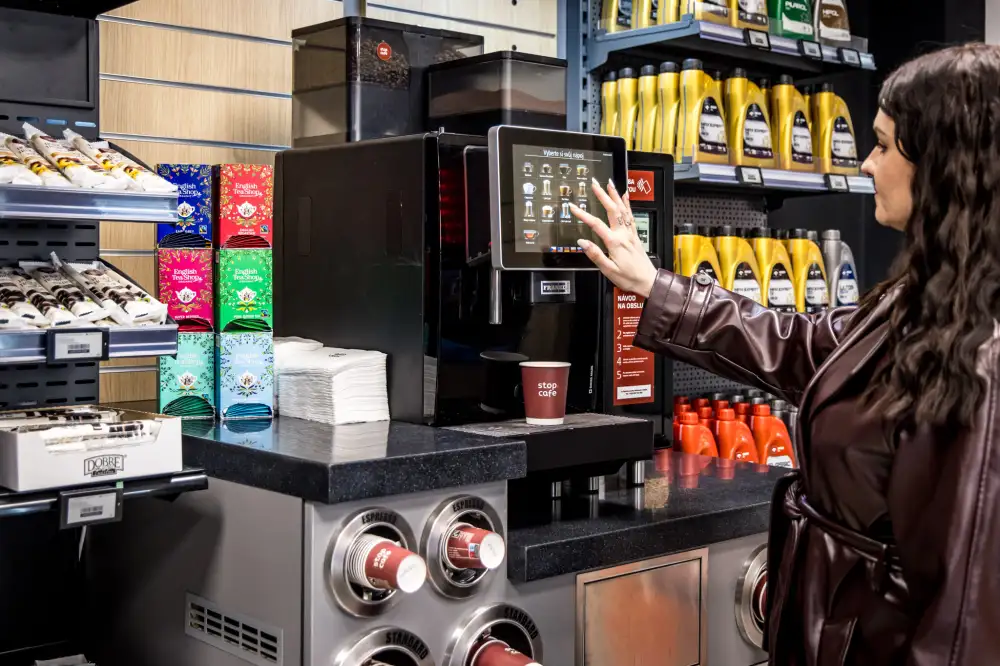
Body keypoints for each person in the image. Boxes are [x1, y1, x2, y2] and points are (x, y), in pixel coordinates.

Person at [570, 43, 1000, 665]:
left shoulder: (984, 356)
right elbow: (801, 346)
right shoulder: (925, 300)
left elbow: (967, 624)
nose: (866, 163)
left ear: (943, 165)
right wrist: (653, 284)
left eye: (883, 146)